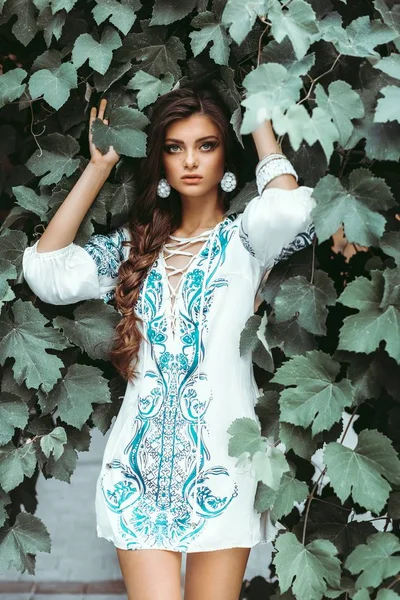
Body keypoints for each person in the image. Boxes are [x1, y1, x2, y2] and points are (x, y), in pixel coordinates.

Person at [22, 85, 316, 600]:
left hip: (223, 470)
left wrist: (261, 121)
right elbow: (47, 273)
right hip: (136, 470)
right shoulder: (134, 247)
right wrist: (98, 169)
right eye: (175, 148)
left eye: (206, 145)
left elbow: (292, 211)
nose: (190, 161)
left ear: (226, 153)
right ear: (159, 159)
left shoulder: (248, 240)